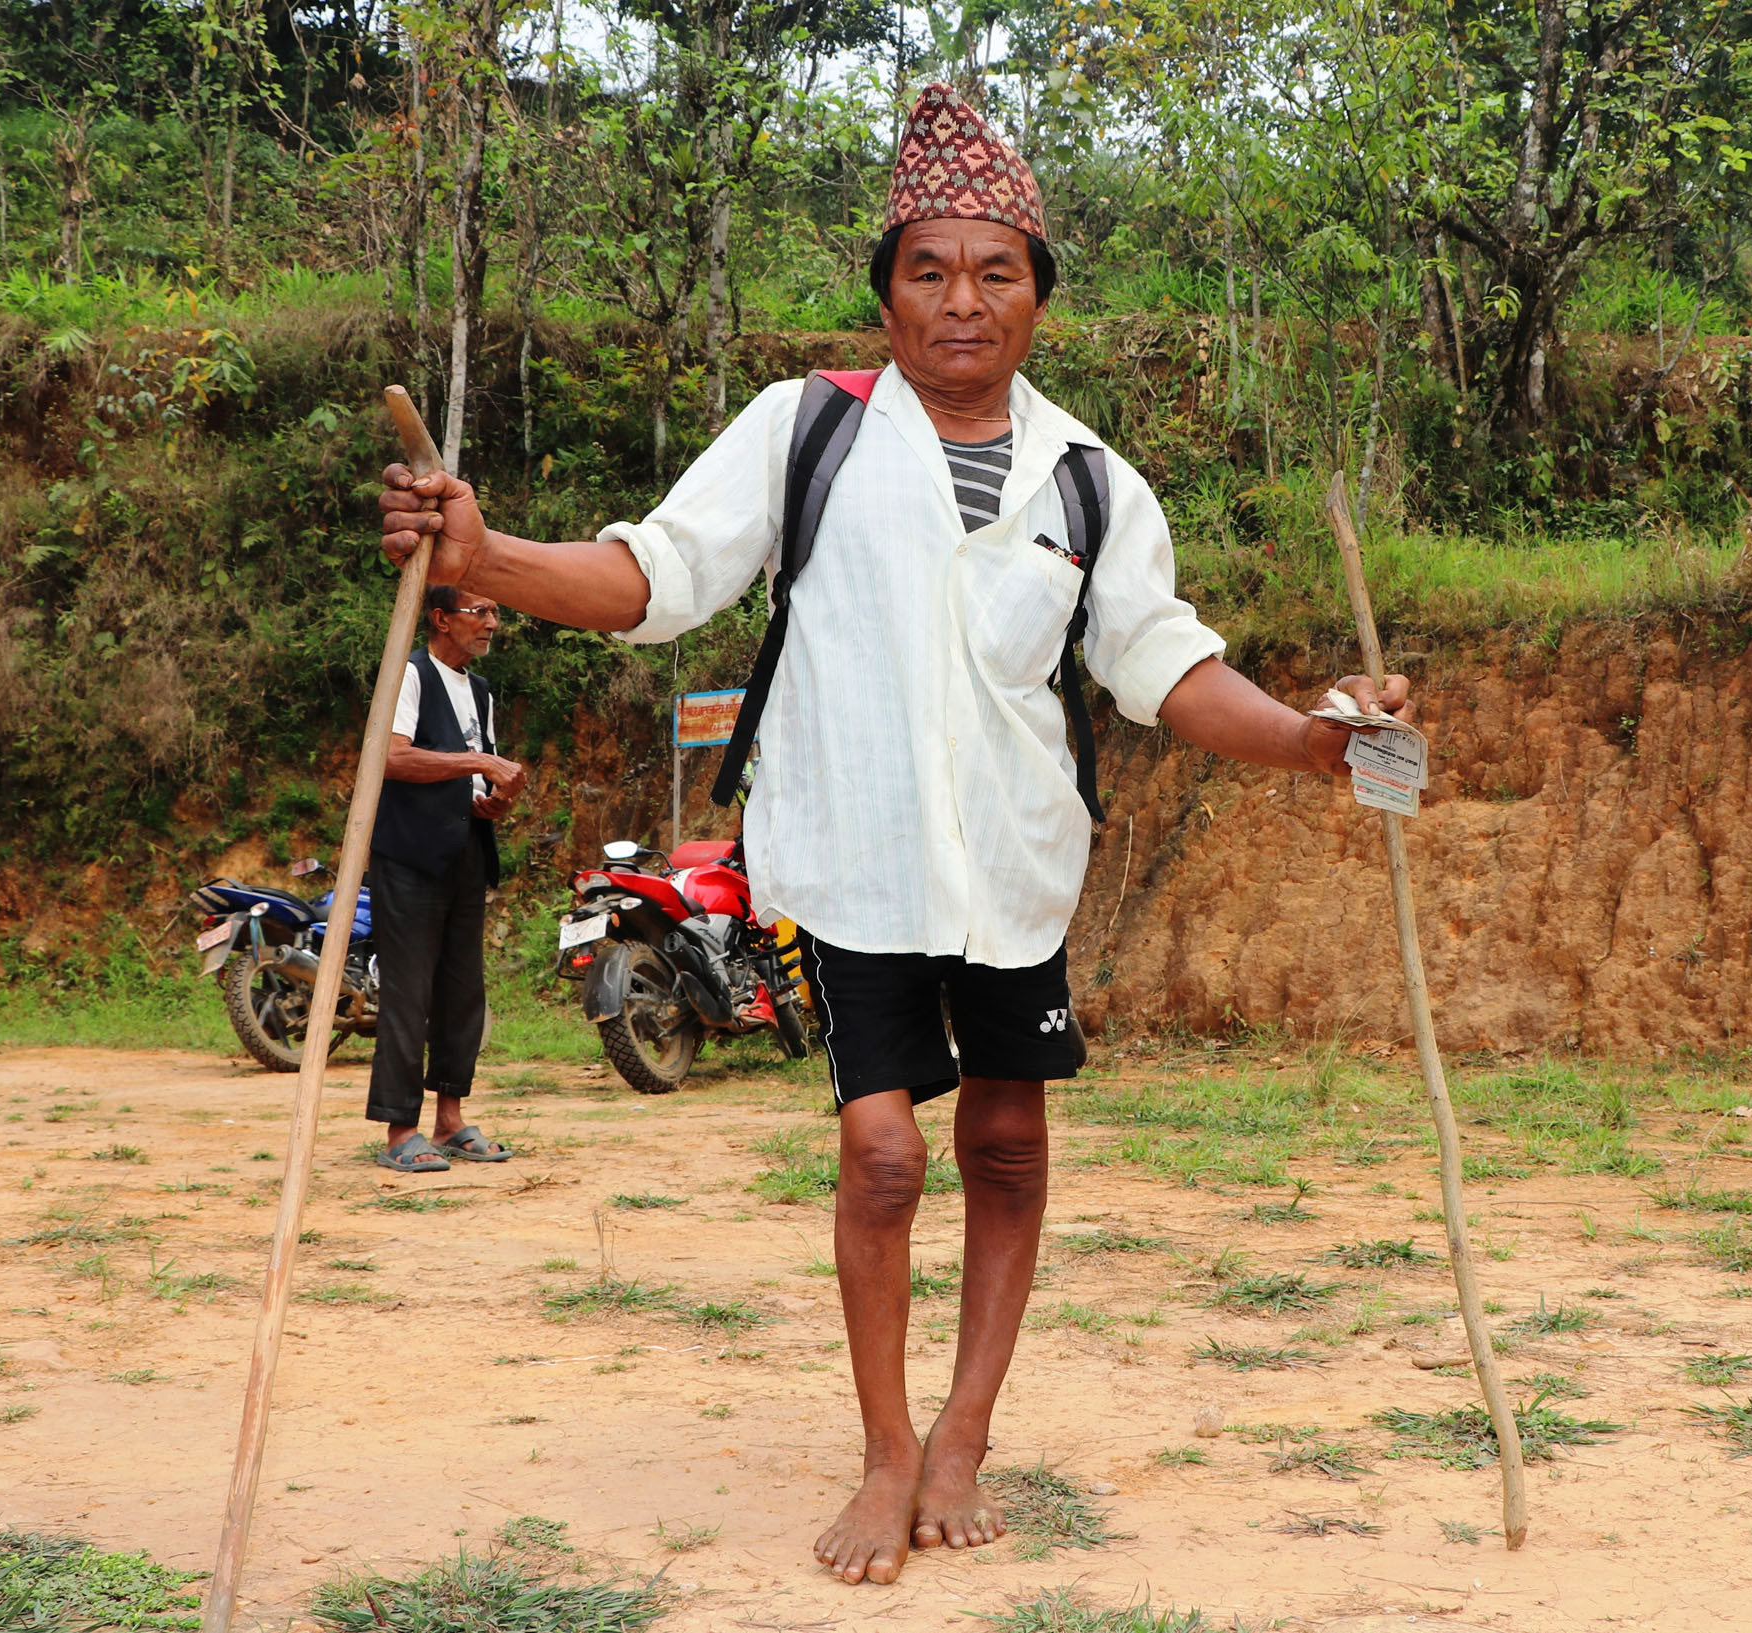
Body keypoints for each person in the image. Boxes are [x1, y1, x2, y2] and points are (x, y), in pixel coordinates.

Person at [378, 84, 1413, 1582]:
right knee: (879, 1155)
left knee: (1004, 1139)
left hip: (1011, 864)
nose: (962, 300)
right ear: (886, 291)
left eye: (996, 271)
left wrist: (1319, 743)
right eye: (928, 269)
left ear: (1040, 297)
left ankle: (963, 1438)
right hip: (852, 858)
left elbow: (1166, 666)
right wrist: (486, 555)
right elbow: (653, 577)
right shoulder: (809, 430)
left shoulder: (1090, 481)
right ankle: (881, 1452)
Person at [366, 585, 525, 1173]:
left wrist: (491, 801)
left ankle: (450, 1118)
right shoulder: (409, 675)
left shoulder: (478, 690)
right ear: (439, 618)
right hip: (409, 857)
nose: (491, 624)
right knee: (409, 991)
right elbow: (393, 757)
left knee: (463, 991)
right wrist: (481, 764)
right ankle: (400, 1128)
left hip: (464, 852)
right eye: (479, 612)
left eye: (494, 612)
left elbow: (470, 776)